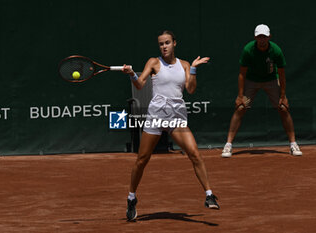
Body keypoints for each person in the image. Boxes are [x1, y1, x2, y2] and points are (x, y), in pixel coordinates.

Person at [122, 30, 220, 221]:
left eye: (167, 43)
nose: (164, 47)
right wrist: (133, 74)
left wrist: (193, 69)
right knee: (142, 159)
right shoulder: (153, 62)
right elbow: (140, 85)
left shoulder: (184, 65)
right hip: (156, 116)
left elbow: (191, 90)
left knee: (195, 154)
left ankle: (209, 195)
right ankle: (131, 197)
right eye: (161, 44)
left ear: (175, 43)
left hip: (176, 117)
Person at [221, 24, 303, 158]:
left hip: (271, 80)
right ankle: (228, 145)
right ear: (255, 37)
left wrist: (283, 95)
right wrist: (240, 96)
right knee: (240, 108)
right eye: (259, 36)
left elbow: (281, 75)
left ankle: (293, 144)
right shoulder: (248, 49)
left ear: (269, 37)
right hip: (252, 81)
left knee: (283, 108)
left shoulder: (276, 50)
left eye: (264, 36)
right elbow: (242, 74)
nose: (262, 39)